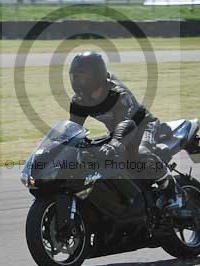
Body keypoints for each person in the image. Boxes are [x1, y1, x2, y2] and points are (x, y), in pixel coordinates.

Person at [67, 51, 187, 217]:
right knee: (90, 155)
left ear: (96, 76)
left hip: (143, 125)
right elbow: (73, 129)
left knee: (140, 154)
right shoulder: (79, 101)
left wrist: (115, 144)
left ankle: (173, 191)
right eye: (75, 77)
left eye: (83, 78)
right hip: (119, 132)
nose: (78, 82)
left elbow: (128, 124)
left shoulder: (117, 94)